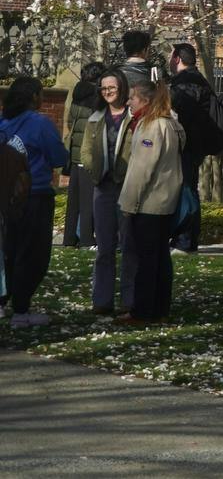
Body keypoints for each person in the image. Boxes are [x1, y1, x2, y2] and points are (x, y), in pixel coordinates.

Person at [1, 76, 69, 326]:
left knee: (8, 250)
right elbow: (58, 157)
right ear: (34, 97)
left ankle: (4, 301)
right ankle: (21, 310)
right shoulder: (40, 123)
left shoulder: (3, 122)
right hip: (35, 194)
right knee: (33, 254)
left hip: (6, 196)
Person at [117, 78, 183, 323]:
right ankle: (160, 308)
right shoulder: (172, 123)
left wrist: (129, 204)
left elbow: (141, 170)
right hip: (165, 201)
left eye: (132, 98)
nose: (129, 102)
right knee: (160, 258)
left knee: (146, 259)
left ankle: (142, 310)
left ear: (144, 99)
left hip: (149, 202)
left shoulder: (152, 126)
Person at [80, 68, 135, 314]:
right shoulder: (96, 118)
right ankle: (102, 301)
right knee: (104, 248)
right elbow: (86, 152)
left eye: (112, 87)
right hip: (103, 187)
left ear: (122, 88)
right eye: (103, 88)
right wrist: (95, 173)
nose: (108, 92)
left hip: (128, 187)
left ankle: (129, 299)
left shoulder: (134, 117)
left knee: (129, 246)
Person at [165, 43, 221, 253]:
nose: (169, 60)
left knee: (187, 189)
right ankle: (184, 238)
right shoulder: (197, 80)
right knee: (188, 188)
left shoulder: (186, 83)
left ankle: (185, 240)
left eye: (171, 56)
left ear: (177, 58)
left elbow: (182, 117)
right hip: (193, 144)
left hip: (187, 146)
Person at [62, 62, 106, 248]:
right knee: (88, 200)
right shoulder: (96, 98)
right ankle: (87, 239)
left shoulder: (77, 93)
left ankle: (69, 239)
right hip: (88, 153)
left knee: (74, 201)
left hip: (74, 153)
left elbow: (71, 122)